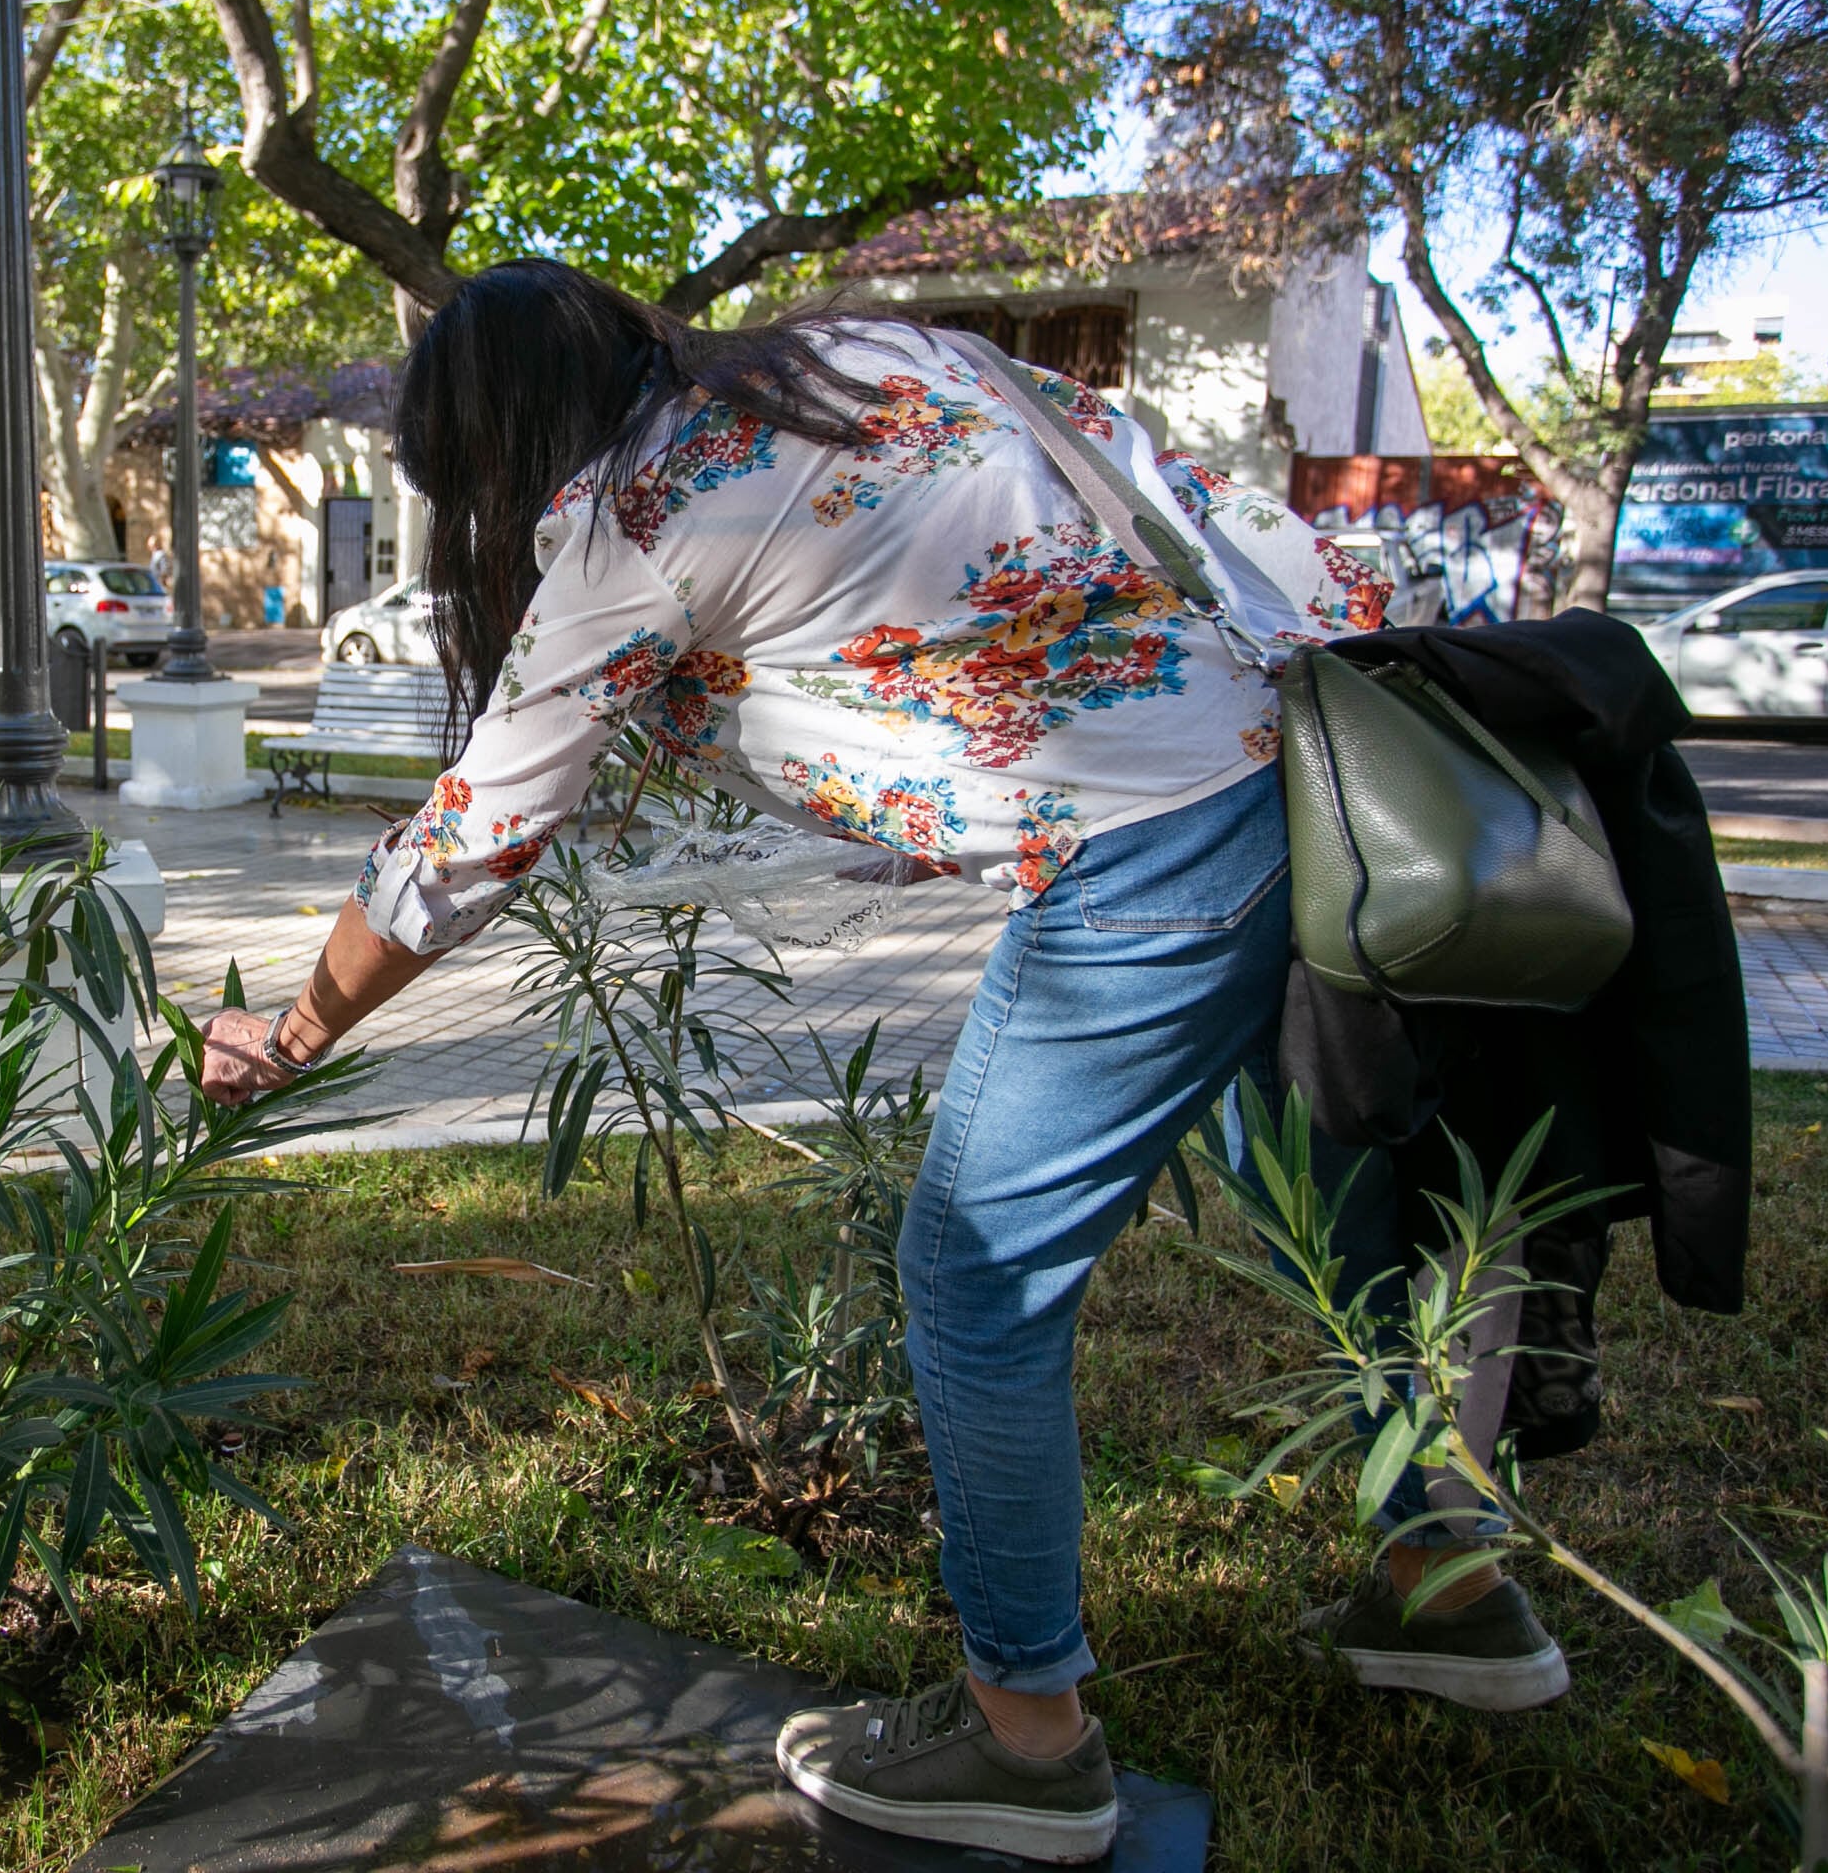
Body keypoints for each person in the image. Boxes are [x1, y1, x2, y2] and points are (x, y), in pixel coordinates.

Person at [196, 261, 1548, 1863]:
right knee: (1326, 1221)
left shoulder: (640, 520)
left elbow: (478, 831)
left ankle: (1026, 1742)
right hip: (1312, 797)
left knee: (976, 1278)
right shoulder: (859, 359)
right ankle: (1448, 1586)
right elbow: (1128, 513)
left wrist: (295, 1022)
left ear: (501, 450)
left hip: (1152, 859)